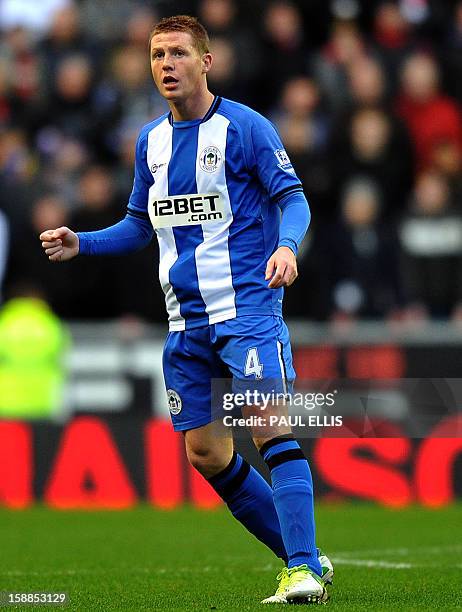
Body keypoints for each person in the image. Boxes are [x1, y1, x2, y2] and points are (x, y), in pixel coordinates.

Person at [39, 15, 333, 604]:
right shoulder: (150, 141)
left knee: (266, 423)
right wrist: (83, 243)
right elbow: (138, 224)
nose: (165, 64)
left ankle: (301, 568)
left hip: (247, 307)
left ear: (206, 61)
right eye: (156, 55)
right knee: (204, 451)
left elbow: (292, 198)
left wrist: (285, 245)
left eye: (177, 52)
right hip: (185, 320)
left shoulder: (245, 127)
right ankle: (306, 561)